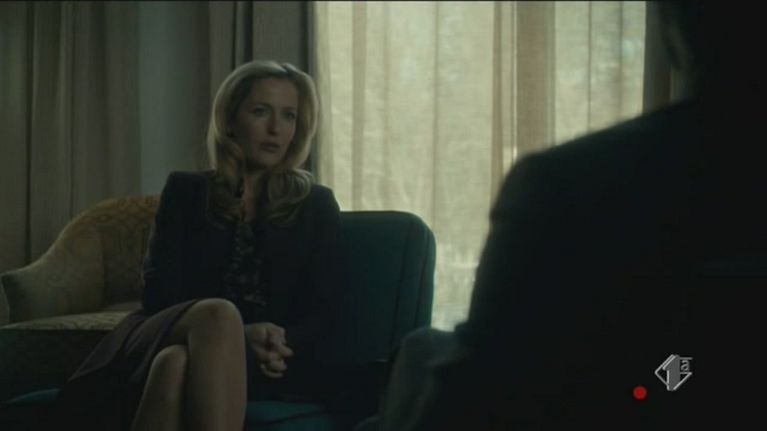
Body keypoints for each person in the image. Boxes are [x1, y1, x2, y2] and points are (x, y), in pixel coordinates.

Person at [371, 3, 766, 431]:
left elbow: (468, 403)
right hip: (661, 385)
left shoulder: (571, 184)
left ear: (674, 27)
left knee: (422, 352)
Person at [49, 60, 351, 431]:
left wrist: (274, 341)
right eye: (261, 112)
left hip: (271, 358)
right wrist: (237, 334)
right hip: (168, 329)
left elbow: (326, 309)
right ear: (230, 120)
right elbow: (160, 295)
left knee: (174, 364)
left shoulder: (315, 204)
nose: (276, 128)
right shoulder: (187, 192)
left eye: (288, 116)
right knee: (217, 316)